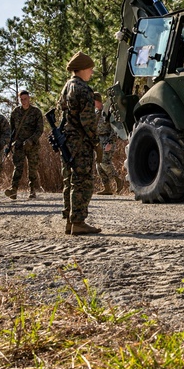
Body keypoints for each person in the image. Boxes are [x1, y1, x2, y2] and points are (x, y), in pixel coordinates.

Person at [58, 51, 100, 235]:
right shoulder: (83, 89)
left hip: (67, 141)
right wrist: (96, 143)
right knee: (83, 181)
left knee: (70, 180)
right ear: (82, 69)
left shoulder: (67, 87)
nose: (91, 72)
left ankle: (69, 220)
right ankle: (79, 221)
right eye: (90, 69)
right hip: (80, 142)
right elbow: (88, 120)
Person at [5, 89, 45, 200]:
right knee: (18, 167)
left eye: (25, 99)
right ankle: (14, 189)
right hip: (18, 144)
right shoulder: (15, 112)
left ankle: (32, 190)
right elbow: (12, 130)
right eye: (21, 99)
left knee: (32, 168)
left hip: (32, 145)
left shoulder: (36, 112)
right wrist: (10, 144)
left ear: (29, 98)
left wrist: (31, 140)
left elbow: (39, 130)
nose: (23, 101)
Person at [93, 92, 124, 195]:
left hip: (107, 139)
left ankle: (118, 180)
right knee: (98, 165)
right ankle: (107, 188)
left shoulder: (107, 112)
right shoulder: (95, 112)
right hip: (99, 140)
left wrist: (110, 142)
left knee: (104, 162)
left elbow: (114, 128)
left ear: (96, 100)